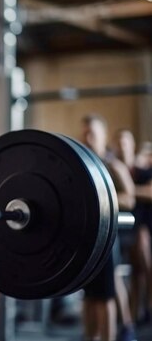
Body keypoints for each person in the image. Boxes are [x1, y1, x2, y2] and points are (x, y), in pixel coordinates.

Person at [80, 115, 136, 341]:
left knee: (105, 296)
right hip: (87, 239)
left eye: (92, 132)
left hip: (108, 238)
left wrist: (103, 197)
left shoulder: (113, 165)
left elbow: (130, 198)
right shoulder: (83, 163)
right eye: (84, 133)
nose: (87, 137)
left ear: (103, 135)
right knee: (88, 296)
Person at [114, 129, 152, 324]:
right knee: (132, 273)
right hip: (122, 228)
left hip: (143, 225)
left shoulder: (143, 171)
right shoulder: (112, 169)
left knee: (142, 266)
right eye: (119, 142)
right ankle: (134, 315)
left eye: (125, 142)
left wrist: (129, 190)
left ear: (132, 144)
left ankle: (145, 308)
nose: (122, 145)